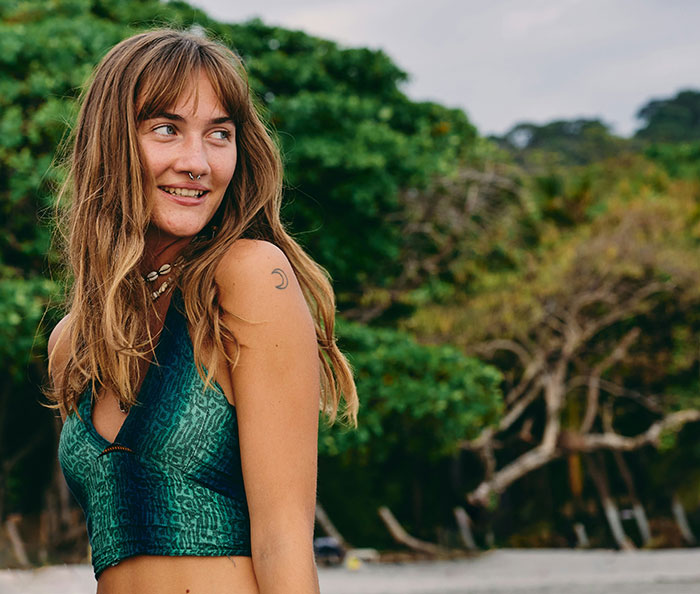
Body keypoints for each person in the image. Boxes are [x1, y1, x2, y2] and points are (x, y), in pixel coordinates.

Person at [46, 28, 358, 594]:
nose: (197, 162)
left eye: (219, 134)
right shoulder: (74, 342)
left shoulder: (248, 280)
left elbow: (283, 543)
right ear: (111, 143)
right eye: (166, 129)